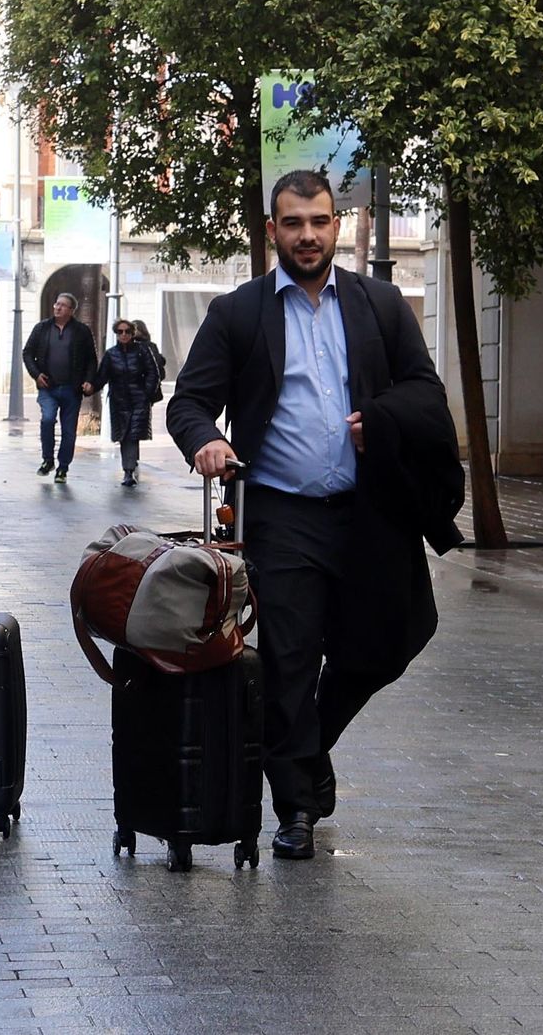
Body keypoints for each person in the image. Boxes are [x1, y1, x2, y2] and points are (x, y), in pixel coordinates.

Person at [167, 169, 462, 861]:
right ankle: (295, 805)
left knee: (397, 636)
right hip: (282, 514)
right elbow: (188, 402)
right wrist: (206, 439)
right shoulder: (240, 313)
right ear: (273, 231)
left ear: (340, 227)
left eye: (320, 222)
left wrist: (380, 421)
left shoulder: (381, 306)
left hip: (370, 512)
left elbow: (425, 390)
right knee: (292, 659)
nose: (308, 235)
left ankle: (309, 746)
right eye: (293, 223)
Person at [21, 293, 97, 483]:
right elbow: (27, 353)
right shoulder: (42, 328)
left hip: (72, 389)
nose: (58, 307)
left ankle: (63, 467)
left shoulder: (81, 331)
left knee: (69, 430)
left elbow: (91, 359)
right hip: (48, 387)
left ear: (71, 311)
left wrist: (88, 380)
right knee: (47, 420)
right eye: (56, 304)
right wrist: (36, 374)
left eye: (63, 305)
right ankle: (48, 460)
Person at [92, 319, 160, 487]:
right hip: (119, 401)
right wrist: (90, 387)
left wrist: (147, 393)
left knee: (133, 435)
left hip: (139, 400)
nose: (123, 335)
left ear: (132, 333)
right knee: (125, 435)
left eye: (127, 332)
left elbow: (153, 372)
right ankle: (129, 467)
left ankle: (130, 468)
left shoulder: (142, 351)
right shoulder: (111, 354)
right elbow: (102, 376)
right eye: (120, 332)